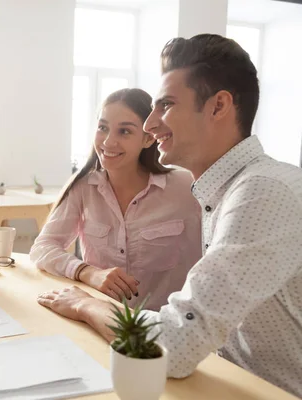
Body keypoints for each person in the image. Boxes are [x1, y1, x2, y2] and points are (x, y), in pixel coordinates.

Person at [37, 34, 302, 398]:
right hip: (221, 379)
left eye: (165, 105)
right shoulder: (221, 191)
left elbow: (175, 345)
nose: (150, 125)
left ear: (218, 106)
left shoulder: (262, 192)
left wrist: (86, 305)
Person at [30, 88, 201, 311]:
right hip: (98, 319)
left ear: (148, 138)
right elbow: (43, 247)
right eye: (103, 128)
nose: (108, 142)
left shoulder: (186, 186)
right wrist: (88, 272)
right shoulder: (84, 187)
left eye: (124, 132)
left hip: (163, 330)